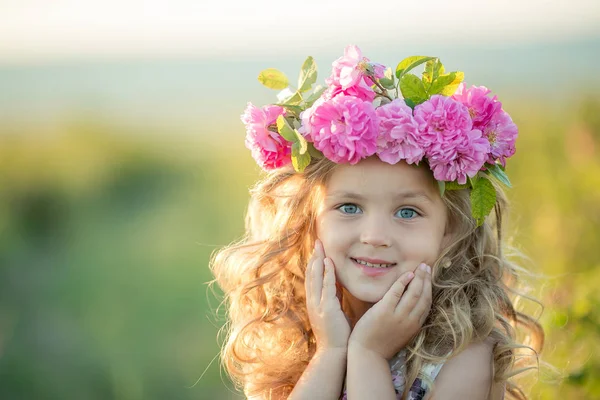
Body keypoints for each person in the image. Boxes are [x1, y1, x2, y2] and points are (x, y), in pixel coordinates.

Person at [210, 45, 544, 399]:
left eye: (407, 212)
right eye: (350, 207)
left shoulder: (465, 358)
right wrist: (331, 353)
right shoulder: (302, 339)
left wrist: (368, 355)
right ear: (310, 221)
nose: (375, 236)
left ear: (450, 232)